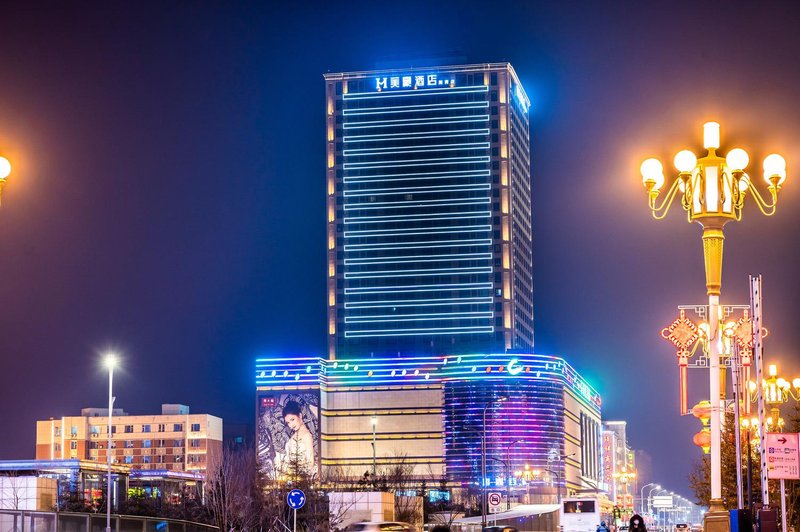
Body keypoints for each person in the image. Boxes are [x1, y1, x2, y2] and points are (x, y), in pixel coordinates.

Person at [275, 400, 315, 474]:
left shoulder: (307, 435)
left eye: (292, 419)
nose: (291, 425)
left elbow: (310, 463)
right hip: (289, 475)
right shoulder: (294, 435)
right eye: (288, 422)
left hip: (301, 477)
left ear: (300, 416)